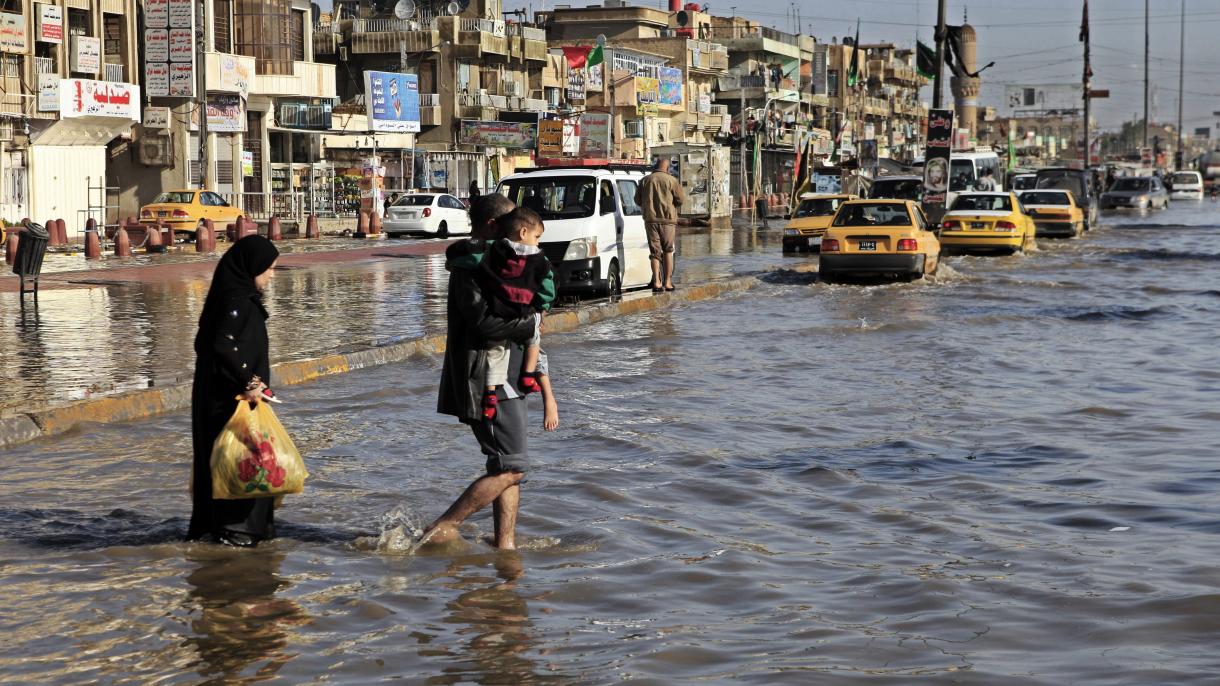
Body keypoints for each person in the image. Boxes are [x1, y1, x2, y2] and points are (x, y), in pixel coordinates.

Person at [425, 194, 551, 550]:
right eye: (515, 229)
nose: (520, 239)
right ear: (496, 227)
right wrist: (529, 324)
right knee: (514, 467)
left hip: (509, 377)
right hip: (484, 377)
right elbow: (483, 324)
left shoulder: (504, 265)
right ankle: (443, 526)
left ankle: (505, 546)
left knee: (506, 466)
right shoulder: (473, 269)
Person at [188, 235, 280, 547]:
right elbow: (220, 345)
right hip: (227, 404)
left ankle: (222, 529)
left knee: (231, 464)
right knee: (241, 462)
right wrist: (249, 382)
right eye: (268, 268)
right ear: (251, 267)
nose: (271, 274)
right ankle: (236, 532)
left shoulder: (233, 299)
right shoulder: (236, 303)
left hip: (221, 399)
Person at [476, 207, 557, 423]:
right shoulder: (539, 259)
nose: (538, 243)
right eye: (537, 237)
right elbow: (548, 289)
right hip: (523, 316)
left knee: (495, 352)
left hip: (498, 313)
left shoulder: (493, 250)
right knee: (535, 342)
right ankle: (530, 378)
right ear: (523, 233)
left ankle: (490, 394)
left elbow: (469, 256)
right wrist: (543, 308)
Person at [635, 158, 685, 292]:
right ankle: (668, 282)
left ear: (655, 167)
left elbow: (637, 200)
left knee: (655, 252)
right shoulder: (672, 181)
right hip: (668, 220)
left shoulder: (645, 180)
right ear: (668, 169)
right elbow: (681, 200)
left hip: (650, 220)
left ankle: (657, 282)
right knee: (668, 250)